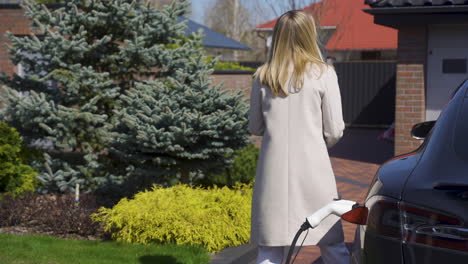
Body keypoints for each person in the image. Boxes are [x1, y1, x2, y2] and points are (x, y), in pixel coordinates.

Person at [248, 10, 350, 264]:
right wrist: (315, 143)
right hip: (313, 169)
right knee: (331, 242)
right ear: (309, 35)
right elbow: (335, 129)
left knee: (270, 246)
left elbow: (254, 126)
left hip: (274, 172)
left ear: (279, 36)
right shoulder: (324, 73)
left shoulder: (263, 76)